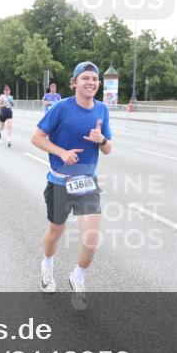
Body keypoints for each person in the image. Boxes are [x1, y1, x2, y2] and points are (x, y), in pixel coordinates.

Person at [31, 62, 112, 310]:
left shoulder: (102, 110)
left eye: (95, 79)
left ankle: (78, 277)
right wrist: (62, 152)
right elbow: (37, 138)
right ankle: (47, 264)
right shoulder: (60, 108)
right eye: (85, 78)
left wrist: (102, 140)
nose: (91, 83)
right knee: (56, 232)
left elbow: (108, 150)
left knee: (91, 237)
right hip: (59, 182)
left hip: (87, 182)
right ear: (74, 82)